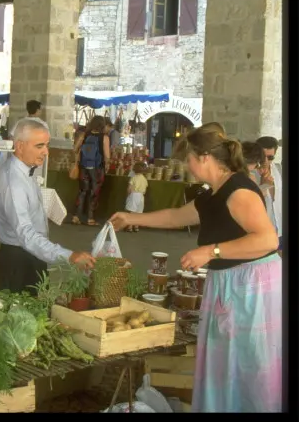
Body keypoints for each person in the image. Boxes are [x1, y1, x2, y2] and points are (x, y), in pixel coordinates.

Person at [110, 123, 280, 413]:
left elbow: (267, 240)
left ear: (204, 157)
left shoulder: (239, 191)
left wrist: (211, 251)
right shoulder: (214, 192)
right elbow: (177, 216)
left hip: (250, 288)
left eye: (188, 159)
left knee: (249, 365)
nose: (186, 166)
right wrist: (131, 218)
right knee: (226, 364)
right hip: (229, 282)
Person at [0, 118, 95, 293]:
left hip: (30, 255)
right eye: (39, 146)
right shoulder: (14, 181)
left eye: (46, 145)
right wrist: (68, 256)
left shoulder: (24, 170)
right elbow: (26, 234)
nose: (46, 152)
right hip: (19, 260)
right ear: (20, 146)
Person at [71, 115, 110, 226]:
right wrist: (107, 164)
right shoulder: (105, 138)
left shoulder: (84, 135)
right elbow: (107, 156)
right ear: (102, 125)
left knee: (82, 191)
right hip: (97, 169)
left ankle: (76, 216)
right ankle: (90, 218)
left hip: (83, 167)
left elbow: (75, 149)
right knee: (94, 192)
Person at [255, 136, 282, 252]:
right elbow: (250, 198)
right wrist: (263, 184)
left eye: (270, 157)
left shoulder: (279, 168)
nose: (266, 161)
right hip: (261, 229)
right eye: (262, 157)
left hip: (280, 226)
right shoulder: (250, 173)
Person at [124, 161, 148, 232]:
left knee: (132, 211)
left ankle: (130, 227)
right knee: (138, 212)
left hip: (134, 195)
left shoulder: (133, 178)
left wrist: (128, 194)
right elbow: (145, 190)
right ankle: (136, 227)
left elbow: (129, 188)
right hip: (141, 196)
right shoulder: (144, 179)